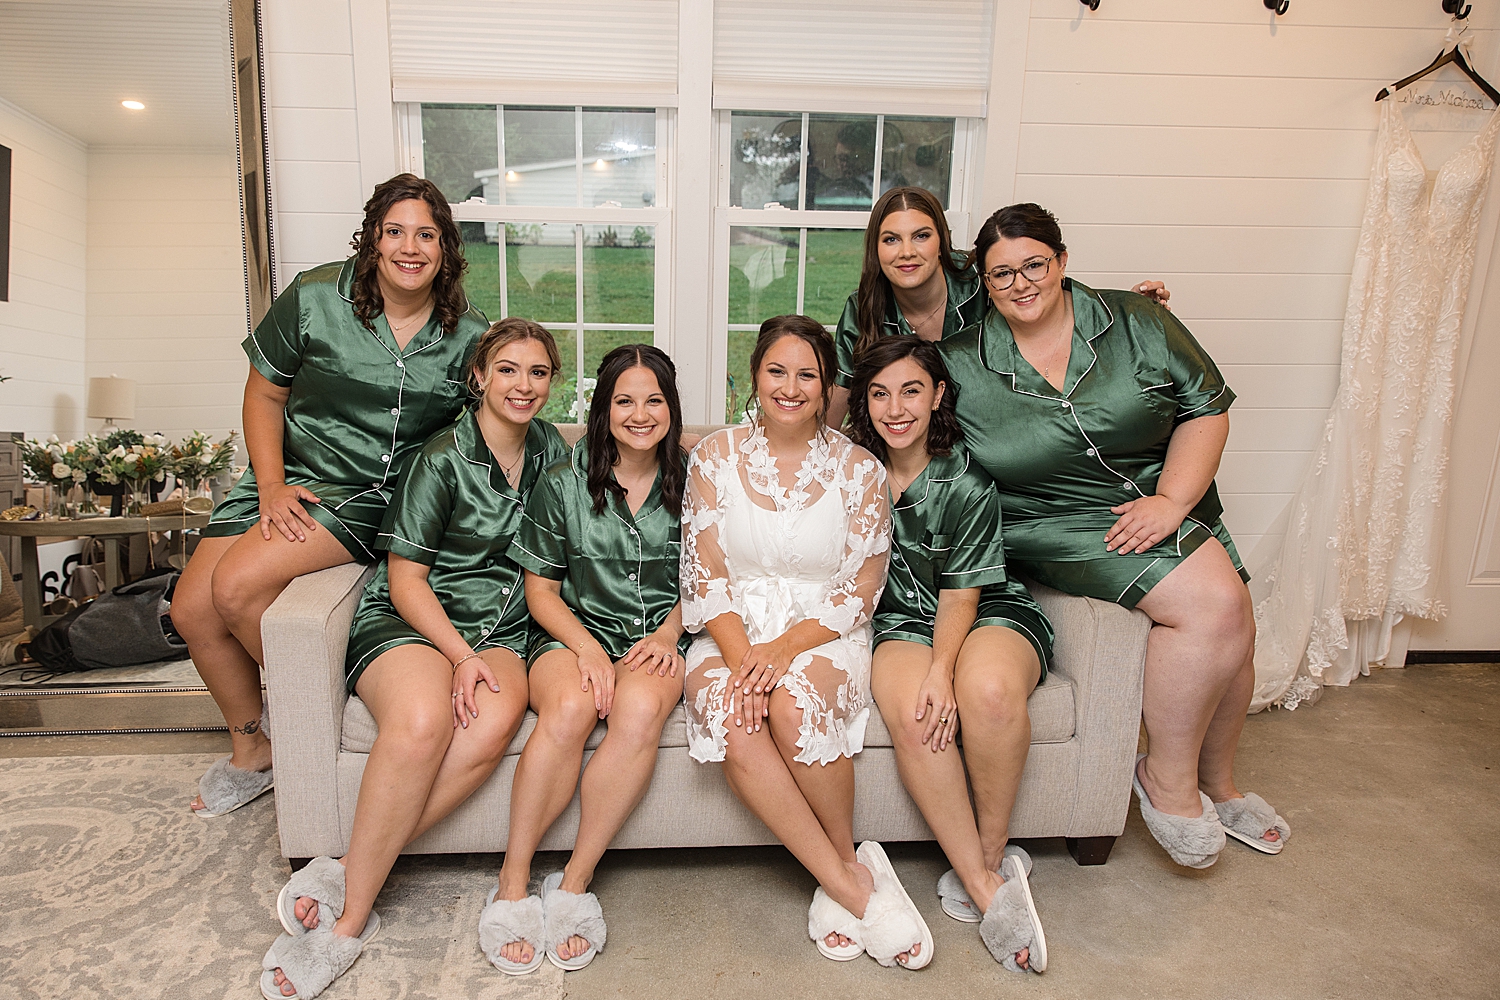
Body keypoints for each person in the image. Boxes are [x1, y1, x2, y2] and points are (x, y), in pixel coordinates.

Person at [938, 203, 1290, 870]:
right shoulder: (960, 363)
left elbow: (1205, 406)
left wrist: (1172, 500)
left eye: (1033, 264)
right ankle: (1168, 778)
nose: (1020, 283)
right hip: (1051, 519)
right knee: (1213, 608)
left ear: (1062, 262)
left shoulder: (1140, 320)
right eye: (1000, 274)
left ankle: (1220, 784)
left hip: (1168, 497)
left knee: (1236, 630)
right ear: (983, 284)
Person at [261, 318, 567, 1000]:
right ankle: (351, 923)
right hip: (418, 618)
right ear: (480, 376)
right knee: (425, 721)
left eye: (539, 372)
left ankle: (345, 868)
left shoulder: (552, 451)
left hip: (507, 630)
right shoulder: (442, 457)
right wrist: (458, 655)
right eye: (509, 369)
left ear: (552, 383)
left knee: (490, 726)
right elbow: (406, 579)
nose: (524, 384)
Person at [175, 174, 488, 818]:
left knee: (233, 588)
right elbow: (264, 391)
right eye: (394, 231)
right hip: (287, 474)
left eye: (426, 235)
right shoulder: (317, 297)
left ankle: (317, 712)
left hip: (378, 494)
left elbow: (503, 423)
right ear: (372, 238)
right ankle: (253, 749)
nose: (410, 247)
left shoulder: (469, 334)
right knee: (191, 611)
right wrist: (269, 487)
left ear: (446, 248)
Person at [680, 316, 929, 970]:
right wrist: (745, 662)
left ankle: (840, 867)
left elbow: (861, 587)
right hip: (731, 631)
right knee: (736, 708)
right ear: (755, 376)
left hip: (824, 628)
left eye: (806, 375)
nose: (790, 387)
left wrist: (784, 651)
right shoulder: (713, 456)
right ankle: (851, 882)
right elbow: (703, 575)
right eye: (777, 371)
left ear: (827, 390)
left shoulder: (860, 469)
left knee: (791, 705)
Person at [845, 336, 1053, 973]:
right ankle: (989, 886)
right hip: (900, 622)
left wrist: (943, 668)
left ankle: (990, 853)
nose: (895, 407)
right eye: (879, 393)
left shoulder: (966, 478)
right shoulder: (851, 473)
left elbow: (963, 592)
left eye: (911, 390)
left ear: (938, 396)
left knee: (985, 691)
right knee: (916, 714)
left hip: (984, 606)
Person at [486, 344, 688, 975]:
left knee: (638, 710)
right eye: (624, 401)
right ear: (602, 409)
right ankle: (513, 882)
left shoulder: (699, 480)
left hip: (662, 636)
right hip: (569, 633)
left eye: (654, 400)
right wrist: (589, 650)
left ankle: (574, 882)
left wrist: (668, 633)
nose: (640, 413)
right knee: (571, 708)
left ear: (671, 408)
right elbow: (540, 591)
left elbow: (714, 579)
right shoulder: (563, 482)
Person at [826, 186, 1171, 428]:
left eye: (921, 236)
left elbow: (1047, 298)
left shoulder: (984, 278)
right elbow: (837, 403)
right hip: (905, 439)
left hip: (998, 425)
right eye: (891, 239)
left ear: (942, 239)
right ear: (875, 247)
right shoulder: (863, 307)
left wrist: (1128, 313)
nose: (906, 252)